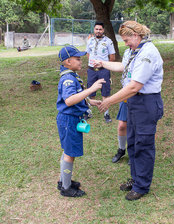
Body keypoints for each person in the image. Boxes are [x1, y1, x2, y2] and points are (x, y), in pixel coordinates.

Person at [93, 21, 164, 201]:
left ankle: (142, 186)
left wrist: (109, 100)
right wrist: (103, 63)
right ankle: (136, 178)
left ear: (136, 35)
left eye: (126, 40)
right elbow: (122, 67)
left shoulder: (148, 53)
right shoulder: (133, 51)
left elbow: (134, 86)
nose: (125, 43)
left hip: (146, 103)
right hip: (134, 102)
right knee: (132, 143)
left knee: (144, 145)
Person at [56, 45, 105, 197]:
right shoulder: (68, 79)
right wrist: (91, 89)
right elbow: (70, 100)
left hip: (71, 119)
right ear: (68, 61)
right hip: (69, 120)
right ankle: (66, 188)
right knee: (69, 153)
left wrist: (89, 101)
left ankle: (64, 180)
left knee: (67, 151)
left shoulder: (72, 76)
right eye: (77, 59)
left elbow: (77, 95)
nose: (80, 61)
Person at [86, 21, 116, 123]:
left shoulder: (108, 41)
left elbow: (112, 57)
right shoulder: (90, 41)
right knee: (90, 91)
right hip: (91, 70)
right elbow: (88, 54)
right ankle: (89, 112)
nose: (98, 31)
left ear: (103, 30)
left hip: (103, 71)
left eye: (100, 29)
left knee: (105, 92)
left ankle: (106, 114)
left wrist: (106, 66)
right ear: (94, 30)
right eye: (96, 29)